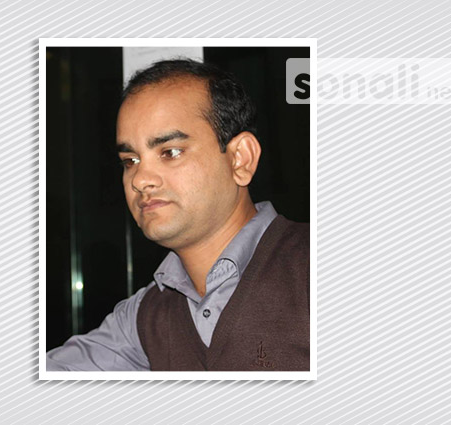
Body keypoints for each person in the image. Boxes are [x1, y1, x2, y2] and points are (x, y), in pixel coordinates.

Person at [47, 59, 309, 371]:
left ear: (240, 159)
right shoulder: (143, 319)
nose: (140, 179)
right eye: (130, 160)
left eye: (170, 152)